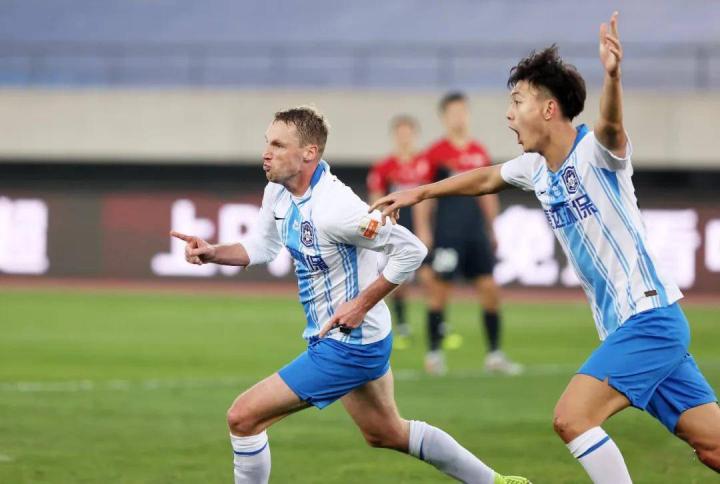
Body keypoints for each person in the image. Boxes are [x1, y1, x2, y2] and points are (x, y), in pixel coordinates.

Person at [370, 13, 719, 483]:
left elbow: (612, 125)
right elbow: (487, 177)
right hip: (628, 328)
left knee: (572, 418)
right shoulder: (535, 167)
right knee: (713, 446)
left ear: (550, 109)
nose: (509, 115)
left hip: (649, 319)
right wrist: (420, 193)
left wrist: (612, 76)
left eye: (518, 102)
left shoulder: (597, 153)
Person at [171, 106, 530, 484]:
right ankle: (495, 482)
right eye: (267, 143)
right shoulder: (278, 191)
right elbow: (262, 246)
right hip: (349, 337)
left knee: (243, 417)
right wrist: (213, 252)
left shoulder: (338, 209)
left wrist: (361, 304)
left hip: (351, 345)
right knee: (387, 433)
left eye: (278, 145)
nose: (266, 153)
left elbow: (411, 250)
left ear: (309, 153)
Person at [418, 92, 522, 376]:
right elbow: (425, 196)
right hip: (448, 233)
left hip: (476, 232)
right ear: (444, 117)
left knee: (490, 290)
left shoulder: (478, 151)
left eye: (463, 111)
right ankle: (434, 354)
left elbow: (488, 191)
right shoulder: (435, 153)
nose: (459, 117)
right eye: (453, 112)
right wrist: (424, 229)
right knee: (439, 292)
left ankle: (494, 355)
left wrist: (492, 227)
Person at [367, 115, 433, 348]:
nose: (404, 137)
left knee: (429, 277)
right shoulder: (385, 166)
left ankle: (437, 325)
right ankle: (402, 325)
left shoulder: (425, 163)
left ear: (415, 135)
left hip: (419, 226)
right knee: (398, 278)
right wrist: (383, 226)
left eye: (408, 133)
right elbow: (377, 197)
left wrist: (425, 227)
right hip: (396, 226)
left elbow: (429, 198)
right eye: (400, 133)